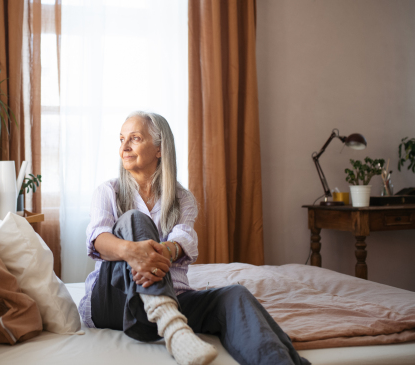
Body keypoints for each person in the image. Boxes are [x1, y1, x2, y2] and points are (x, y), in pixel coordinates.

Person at [79, 111, 310, 365]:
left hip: (176, 299)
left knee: (235, 295)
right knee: (134, 219)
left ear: (159, 149)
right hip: (114, 303)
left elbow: (183, 239)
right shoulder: (108, 192)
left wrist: (157, 254)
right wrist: (132, 252)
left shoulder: (182, 198)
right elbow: (98, 239)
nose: (124, 147)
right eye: (121, 139)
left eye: (134, 138)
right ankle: (173, 327)